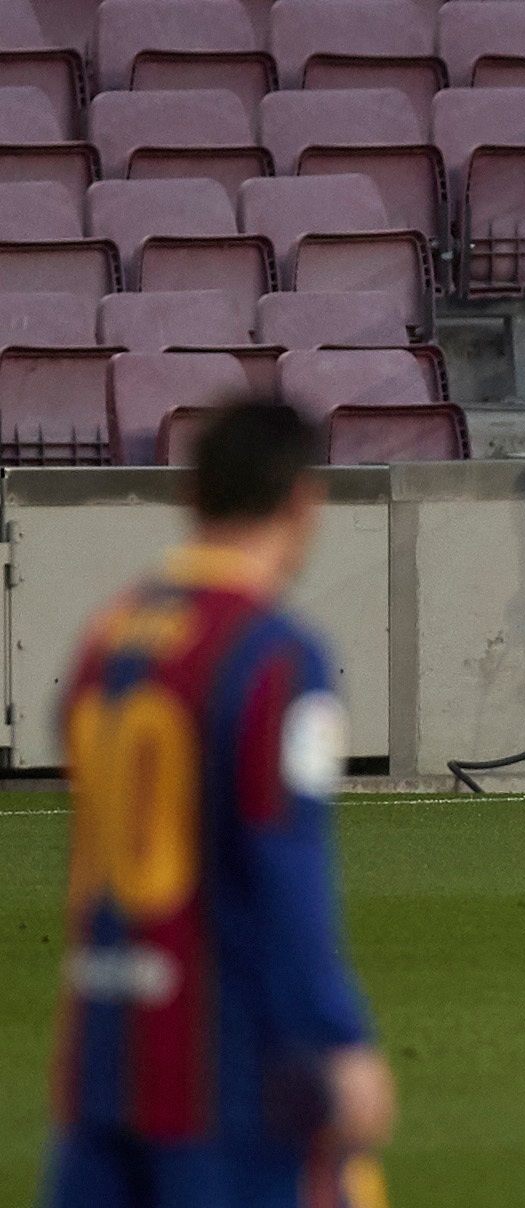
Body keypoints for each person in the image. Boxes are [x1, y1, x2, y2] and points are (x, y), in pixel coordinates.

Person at [43, 402, 395, 1207]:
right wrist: (338, 1039)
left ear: (193, 494)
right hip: (223, 1077)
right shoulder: (273, 655)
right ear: (303, 502)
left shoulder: (109, 637)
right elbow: (283, 866)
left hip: (100, 1061)